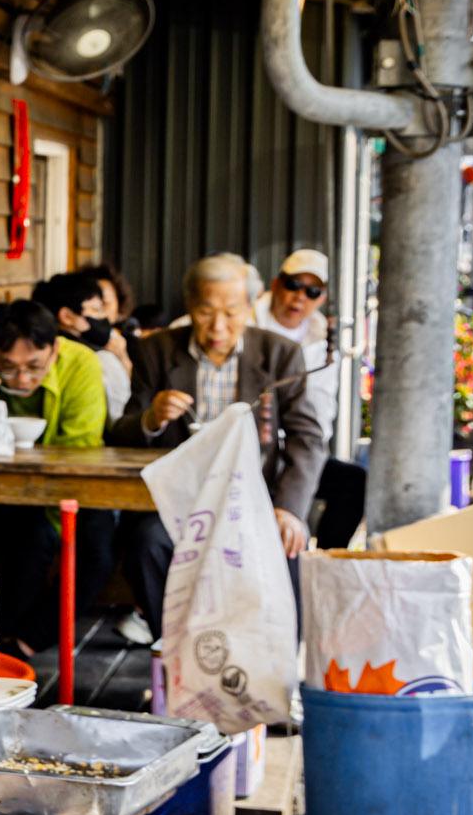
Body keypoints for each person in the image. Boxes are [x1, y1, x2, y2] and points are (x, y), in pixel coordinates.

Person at [109, 252, 327, 637]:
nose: (219, 326)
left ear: (249, 307)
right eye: (207, 311)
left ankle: (278, 668)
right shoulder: (156, 351)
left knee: (287, 543)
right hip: (181, 498)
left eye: (232, 311)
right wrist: (152, 418)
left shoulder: (278, 354)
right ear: (191, 306)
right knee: (146, 543)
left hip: (255, 497)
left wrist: (289, 508)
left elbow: (306, 437)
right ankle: (176, 650)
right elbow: (120, 434)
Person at [0, 300, 109, 653]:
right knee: (25, 538)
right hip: (3, 492)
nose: (23, 380)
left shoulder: (81, 363)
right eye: (9, 368)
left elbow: (81, 449)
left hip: (76, 486)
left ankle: (26, 642)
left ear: (55, 349)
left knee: (98, 551)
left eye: (34, 367)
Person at [254, 248, 366, 548]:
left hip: (294, 446)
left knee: (353, 481)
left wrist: (301, 456)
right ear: (276, 284)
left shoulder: (322, 342)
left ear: (321, 297)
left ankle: (324, 564)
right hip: (254, 447)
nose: (300, 296)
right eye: (293, 285)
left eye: (312, 290)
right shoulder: (248, 322)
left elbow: (320, 413)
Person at [34, 269, 132, 421]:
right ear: (67, 316)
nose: (104, 317)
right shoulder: (99, 359)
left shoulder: (36, 350)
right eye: (96, 310)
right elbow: (121, 418)